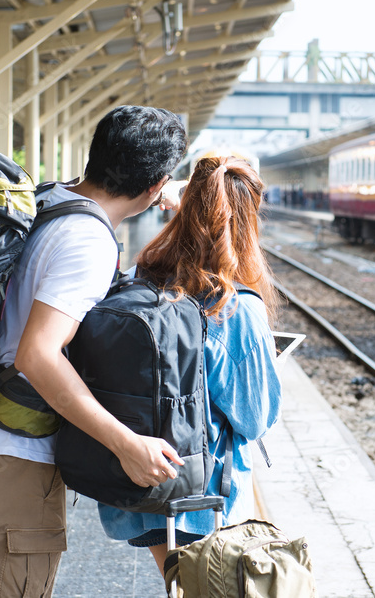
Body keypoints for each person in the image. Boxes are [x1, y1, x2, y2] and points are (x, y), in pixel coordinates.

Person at [0, 105, 188, 598]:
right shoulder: (88, 239)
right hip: (13, 452)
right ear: (157, 185)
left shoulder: (47, 199)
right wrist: (126, 444)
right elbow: (38, 356)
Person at [98, 154, 283, 576]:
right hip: (202, 497)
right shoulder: (235, 307)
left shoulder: (141, 276)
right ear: (250, 220)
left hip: (137, 484)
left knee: (177, 583)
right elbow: (254, 419)